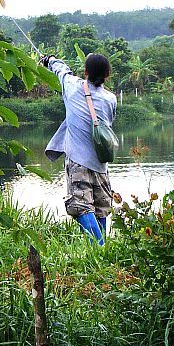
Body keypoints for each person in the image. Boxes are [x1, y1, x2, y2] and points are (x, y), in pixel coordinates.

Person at [41, 52, 117, 245]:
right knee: (101, 208)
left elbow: (61, 70)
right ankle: (102, 251)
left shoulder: (72, 87)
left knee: (81, 206)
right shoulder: (111, 99)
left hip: (78, 161)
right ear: (107, 74)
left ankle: (99, 248)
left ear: (85, 71)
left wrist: (49, 60)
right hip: (101, 162)